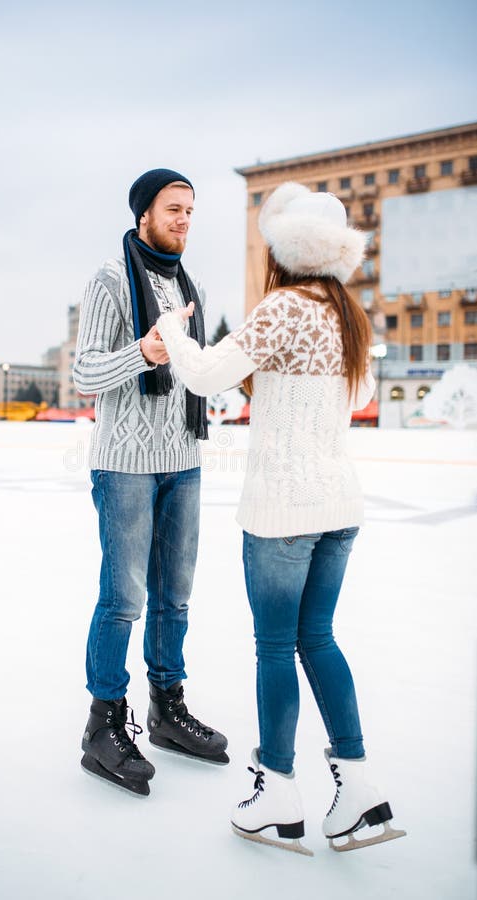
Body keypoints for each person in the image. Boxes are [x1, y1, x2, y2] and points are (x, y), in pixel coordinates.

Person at [155, 182, 406, 852]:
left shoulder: (285, 305)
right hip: (338, 507)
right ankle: (358, 788)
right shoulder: (347, 313)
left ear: (285, 248)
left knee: (274, 648)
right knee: (317, 640)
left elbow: (206, 375)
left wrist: (174, 334)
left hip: (281, 513)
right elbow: (358, 392)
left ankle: (278, 791)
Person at [73, 168, 229, 798]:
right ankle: (102, 725)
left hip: (183, 460)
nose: (184, 220)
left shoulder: (189, 284)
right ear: (144, 214)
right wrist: (143, 352)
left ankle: (167, 707)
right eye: (173, 209)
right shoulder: (110, 280)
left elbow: (192, 372)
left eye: (191, 210)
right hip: (126, 465)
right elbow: (85, 372)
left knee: (177, 595)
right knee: (123, 598)